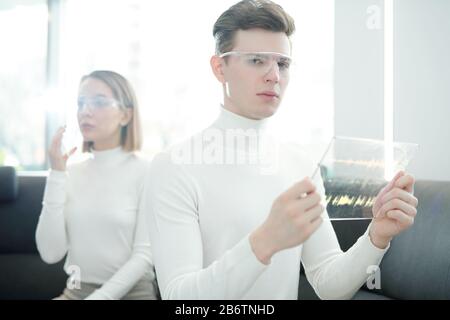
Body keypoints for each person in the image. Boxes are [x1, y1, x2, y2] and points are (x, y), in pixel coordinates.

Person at [145, 0, 418, 299]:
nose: (274, 75)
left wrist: (376, 236)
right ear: (219, 67)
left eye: (282, 63)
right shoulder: (174, 166)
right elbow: (180, 298)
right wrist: (264, 242)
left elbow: (329, 286)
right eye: (256, 60)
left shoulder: (300, 165)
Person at [36, 70, 158, 300]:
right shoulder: (69, 172)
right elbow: (50, 253)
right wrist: (57, 175)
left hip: (134, 295)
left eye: (99, 102)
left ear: (126, 115)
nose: (86, 111)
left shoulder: (148, 171)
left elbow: (144, 256)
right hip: (76, 292)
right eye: (81, 103)